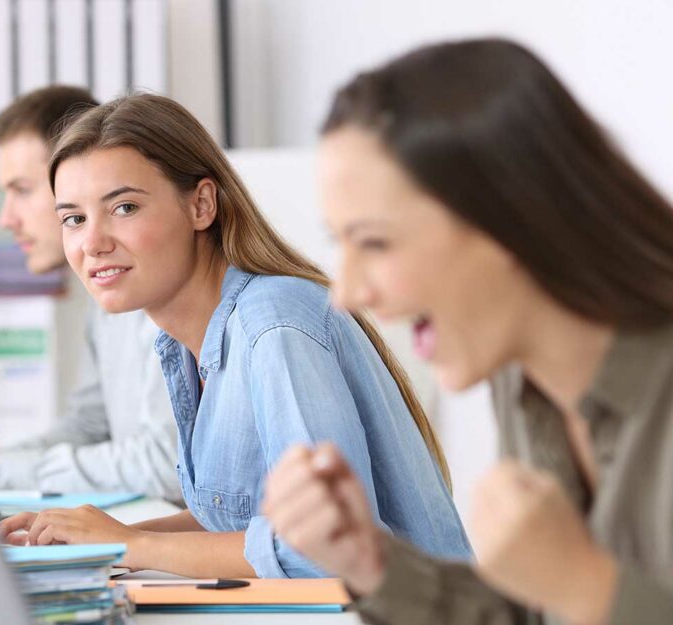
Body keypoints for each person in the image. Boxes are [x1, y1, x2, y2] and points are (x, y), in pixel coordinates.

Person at [261, 38, 673, 625]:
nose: (347, 293)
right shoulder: (522, 378)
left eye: (375, 242)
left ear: (514, 220)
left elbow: (576, 595)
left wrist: (587, 585)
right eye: (340, 242)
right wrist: (371, 562)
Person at [0, 93, 472, 579]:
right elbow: (237, 519)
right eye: (73, 218)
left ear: (202, 205)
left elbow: (329, 551)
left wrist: (131, 544)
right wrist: (94, 535)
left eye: (124, 208)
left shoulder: (273, 324)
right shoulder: (185, 344)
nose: (92, 242)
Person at [0, 86, 181, 502]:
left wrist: (1, 469)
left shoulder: (160, 293)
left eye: (22, 190)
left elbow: (168, 463)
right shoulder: (107, 298)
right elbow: (92, 424)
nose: (6, 219)